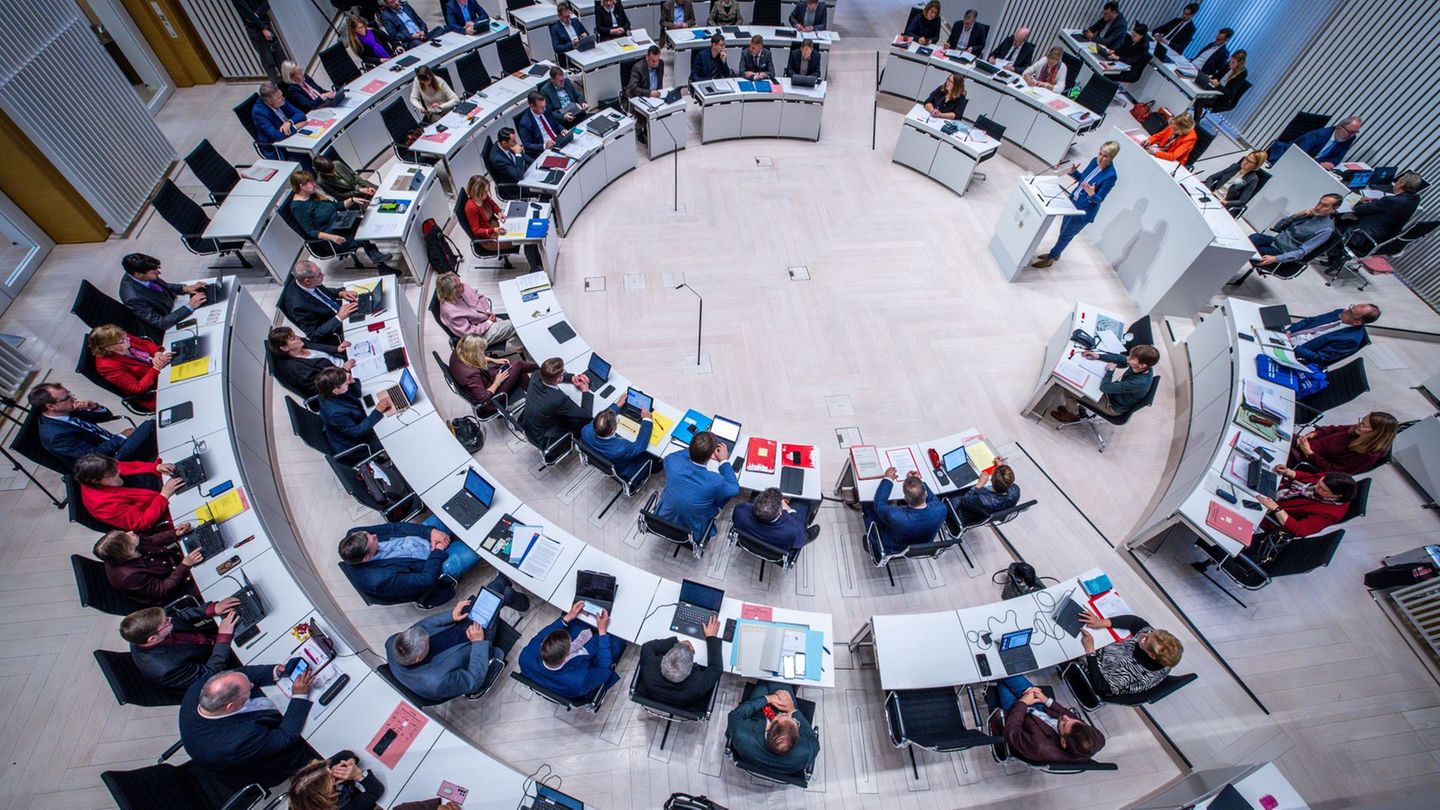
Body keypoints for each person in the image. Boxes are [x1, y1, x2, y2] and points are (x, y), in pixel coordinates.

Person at [179, 667, 320, 794]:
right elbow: (286, 737)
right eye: (248, 690)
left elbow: (240, 675)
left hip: (257, 730)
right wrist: (299, 696)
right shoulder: (235, 742)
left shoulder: (200, 688)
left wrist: (275, 671)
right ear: (230, 706)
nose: (252, 685)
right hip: (265, 761)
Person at [386, 581, 530, 702]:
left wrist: (451, 616)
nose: (428, 635)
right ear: (418, 658)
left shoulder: (393, 642)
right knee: (497, 592)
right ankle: (517, 598)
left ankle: (511, 594)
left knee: (495, 592)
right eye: (427, 641)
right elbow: (474, 680)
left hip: (457, 626)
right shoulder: (437, 683)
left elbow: (422, 627)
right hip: (474, 646)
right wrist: (478, 643)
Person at [338, 520, 482, 603]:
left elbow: (394, 527)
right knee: (478, 546)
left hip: (418, 539)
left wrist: (430, 532)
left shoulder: (356, 534)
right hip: (432, 565)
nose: (375, 536)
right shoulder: (379, 580)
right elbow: (426, 580)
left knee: (457, 510)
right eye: (373, 540)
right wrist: (438, 550)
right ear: (366, 558)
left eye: (370, 535)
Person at [1031, 140, 1120, 268]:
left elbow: (1099, 199)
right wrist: (1074, 172)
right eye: (1100, 153)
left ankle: (1050, 258)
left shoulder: (1111, 176)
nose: (1100, 158)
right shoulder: (1094, 161)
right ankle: (1056, 253)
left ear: (1112, 158)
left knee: (1066, 235)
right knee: (1062, 231)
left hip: (1083, 211)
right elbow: (1082, 180)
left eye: (1105, 156)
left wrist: (1091, 194)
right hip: (1073, 202)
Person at [121, 597, 239, 692]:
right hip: (219, 663)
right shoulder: (167, 669)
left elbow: (179, 616)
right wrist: (224, 637)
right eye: (166, 622)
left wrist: (212, 609)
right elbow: (210, 674)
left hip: (211, 640)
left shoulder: (149, 629)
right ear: (153, 638)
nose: (170, 619)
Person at [28, 383, 157, 467]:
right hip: (109, 462)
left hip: (113, 446)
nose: (73, 399)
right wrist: (121, 437)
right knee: (151, 426)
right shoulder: (56, 436)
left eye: (70, 394)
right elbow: (93, 456)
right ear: (50, 406)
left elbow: (106, 416)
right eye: (67, 398)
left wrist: (94, 407)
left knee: (154, 428)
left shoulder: (67, 411)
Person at [518, 600, 625, 699]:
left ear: (542, 645)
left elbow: (542, 635)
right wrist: (602, 631)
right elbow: (604, 669)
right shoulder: (580, 680)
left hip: (555, 673)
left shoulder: (525, 657)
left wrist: (568, 617)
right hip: (588, 664)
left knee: (576, 611)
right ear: (566, 658)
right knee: (619, 629)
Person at [287, 170, 393, 267]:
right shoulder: (298, 207)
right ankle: (380, 263)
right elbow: (310, 231)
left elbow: (336, 206)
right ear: (301, 186)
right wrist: (332, 237)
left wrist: (352, 199)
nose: (314, 185)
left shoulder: (313, 195)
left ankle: (379, 261)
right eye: (311, 183)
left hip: (339, 223)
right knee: (360, 235)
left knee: (362, 222)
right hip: (331, 237)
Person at [995, 675, 1106, 763]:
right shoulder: (1097, 739)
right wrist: (1046, 700)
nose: (1065, 717)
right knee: (1009, 674)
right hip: (1041, 709)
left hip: (1018, 717)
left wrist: (1023, 702)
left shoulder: (1039, 748)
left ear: (1063, 742)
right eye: (1073, 720)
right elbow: (1070, 719)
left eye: (1064, 724)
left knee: (1000, 678)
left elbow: (1011, 732)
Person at [1078, 609, 1184, 697]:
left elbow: (1100, 687)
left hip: (1092, 672)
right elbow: (1136, 622)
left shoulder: (1133, 674)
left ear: (1152, 655)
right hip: (1106, 652)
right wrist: (1101, 622)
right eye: (1150, 632)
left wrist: (1090, 651)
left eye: (1145, 640)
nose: (1143, 635)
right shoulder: (1159, 649)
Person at [659, 431, 739, 542]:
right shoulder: (716, 481)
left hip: (662, 520)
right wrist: (724, 461)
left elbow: (673, 456)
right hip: (693, 531)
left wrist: (697, 448)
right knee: (724, 493)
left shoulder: (672, 462)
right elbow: (734, 489)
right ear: (712, 455)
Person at [94, 524, 202, 605]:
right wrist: (185, 565)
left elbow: (150, 540)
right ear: (128, 551)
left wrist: (175, 533)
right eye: (127, 537)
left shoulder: (124, 551)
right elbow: (163, 589)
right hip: (179, 588)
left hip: (177, 565)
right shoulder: (130, 577)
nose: (131, 532)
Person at [726, 681, 818, 775]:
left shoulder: (742, 735)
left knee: (766, 683)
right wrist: (792, 709)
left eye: (786, 716)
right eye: (795, 721)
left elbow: (735, 715)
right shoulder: (806, 753)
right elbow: (812, 739)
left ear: (768, 726)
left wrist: (768, 699)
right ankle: (789, 685)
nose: (791, 716)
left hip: (755, 724)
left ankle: (778, 681)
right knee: (781, 689)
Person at [1052, 344, 1160, 422]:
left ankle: (1072, 415)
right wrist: (1098, 356)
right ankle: (1075, 408)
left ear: (1142, 365)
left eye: (1131, 358)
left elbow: (1105, 387)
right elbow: (1121, 359)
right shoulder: (1143, 367)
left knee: (1070, 390)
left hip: (1112, 405)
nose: (1128, 359)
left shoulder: (1140, 382)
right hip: (1114, 394)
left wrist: (1110, 370)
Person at [76, 454, 181, 532]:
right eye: (113, 473)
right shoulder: (103, 505)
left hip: (163, 484)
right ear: (96, 481)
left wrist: (156, 467)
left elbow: (133, 466)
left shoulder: (106, 468)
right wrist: (164, 496)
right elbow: (142, 523)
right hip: (163, 506)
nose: (118, 471)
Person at [636, 616, 722, 711]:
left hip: (655, 696)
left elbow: (647, 646)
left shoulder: (650, 667)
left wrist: (676, 643)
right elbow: (716, 668)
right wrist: (711, 637)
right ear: (690, 668)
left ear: (664, 658)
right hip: (684, 704)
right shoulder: (697, 685)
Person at [1334, 173, 1423, 254]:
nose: (1395, 183)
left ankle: (1332, 252)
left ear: (1401, 184)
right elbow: (1389, 209)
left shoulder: (1390, 200)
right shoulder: (1414, 200)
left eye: (1398, 181)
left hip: (1360, 236)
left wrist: (1360, 201)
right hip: (1379, 238)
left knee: (1337, 222)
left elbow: (1358, 209)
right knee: (1348, 220)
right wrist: (1377, 202)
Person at [88, 324, 171, 412]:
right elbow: (137, 388)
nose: (128, 339)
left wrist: (157, 353)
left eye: (125, 335)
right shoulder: (107, 366)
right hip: (154, 390)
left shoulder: (120, 337)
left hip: (163, 370)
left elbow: (145, 343)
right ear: (109, 347)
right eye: (122, 340)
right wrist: (156, 367)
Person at [119, 252, 206, 334]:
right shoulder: (133, 298)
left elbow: (164, 285)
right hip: (169, 321)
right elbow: (160, 323)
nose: (159, 272)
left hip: (174, 304)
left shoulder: (141, 273)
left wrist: (184, 288)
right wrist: (190, 306)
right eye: (154, 272)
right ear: (138, 274)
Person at [1248, 194, 1341, 270]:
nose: (1318, 207)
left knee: (1253, 252)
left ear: (1334, 209)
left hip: (1282, 252)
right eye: (1319, 203)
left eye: (1325, 206)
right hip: (1275, 241)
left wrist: (1276, 258)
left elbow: (1301, 253)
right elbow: (1278, 227)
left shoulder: (1325, 230)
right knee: (1252, 238)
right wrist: (1297, 215)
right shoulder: (1309, 215)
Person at [864, 468, 946, 554]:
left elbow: (879, 504)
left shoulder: (896, 515)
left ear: (906, 499)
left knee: (868, 506)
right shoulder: (941, 508)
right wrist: (918, 482)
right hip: (923, 544)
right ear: (925, 494)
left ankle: (872, 541)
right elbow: (934, 499)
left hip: (894, 546)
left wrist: (888, 479)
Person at [449, 334, 536, 414]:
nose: (483, 353)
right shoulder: (471, 374)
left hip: (484, 380)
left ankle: (534, 396)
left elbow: (473, 356)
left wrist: (493, 360)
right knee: (518, 365)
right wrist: (497, 382)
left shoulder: (458, 351)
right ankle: (540, 368)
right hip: (490, 400)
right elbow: (484, 399)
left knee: (519, 372)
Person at [1254, 471, 1357, 538]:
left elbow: (1301, 530)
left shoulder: (1331, 513)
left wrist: (1277, 509)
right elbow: (1310, 477)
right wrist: (1288, 472)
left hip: (1269, 517)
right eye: (1319, 483)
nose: (1316, 487)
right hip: (1276, 493)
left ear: (1337, 496)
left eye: (1323, 489)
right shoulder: (1327, 480)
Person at [1287, 412, 1397, 475]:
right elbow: (1334, 429)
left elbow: (1333, 471)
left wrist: (1309, 453)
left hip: (1303, 460)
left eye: (1364, 425)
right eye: (1361, 421)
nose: (1359, 425)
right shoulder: (1357, 429)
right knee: (1274, 428)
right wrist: (1315, 433)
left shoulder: (1366, 455)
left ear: (1376, 433)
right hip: (1302, 445)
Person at [279, 261, 360, 346]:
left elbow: (320, 291)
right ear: (307, 281)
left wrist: (340, 293)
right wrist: (339, 317)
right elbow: (314, 335)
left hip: (341, 309)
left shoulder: (306, 282)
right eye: (319, 275)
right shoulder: (298, 306)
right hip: (336, 326)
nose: (323, 275)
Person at [314, 366, 390, 455]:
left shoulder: (328, 391)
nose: (347, 384)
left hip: (358, 419)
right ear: (335, 390)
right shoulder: (335, 414)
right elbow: (357, 432)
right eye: (346, 384)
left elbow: (358, 393)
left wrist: (351, 380)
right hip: (356, 443)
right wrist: (378, 411)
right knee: (391, 436)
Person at [580, 392, 654, 482]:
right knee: (654, 458)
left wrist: (618, 404)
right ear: (612, 430)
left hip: (603, 460)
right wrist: (647, 419)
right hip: (624, 469)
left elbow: (602, 418)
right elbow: (640, 446)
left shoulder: (586, 430)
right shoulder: (622, 447)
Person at [521, 357, 594, 449]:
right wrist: (585, 391)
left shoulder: (536, 375)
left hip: (530, 427)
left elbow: (549, 377)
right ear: (557, 380)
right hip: (546, 438)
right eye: (564, 373)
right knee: (583, 422)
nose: (565, 374)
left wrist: (572, 378)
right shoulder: (558, 399)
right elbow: (586, 415)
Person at [1284, 303, 1380, 366]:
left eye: (1350, 312)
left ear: (1357, 323)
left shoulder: (1350, 340)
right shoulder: (1339, 313)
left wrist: (1292, 346)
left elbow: (1318, 358)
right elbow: (1310, 320)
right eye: (1351, 307)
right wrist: (1289, 331)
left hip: (1295, 352)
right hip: (1287, 336)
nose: (1345, 310)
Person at [436, 270, 514, 344]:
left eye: (460, 282)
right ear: (452, 292)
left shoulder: (463, 288)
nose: (463, 285)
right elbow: (469, 333)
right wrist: (488, 322)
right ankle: (522, 352)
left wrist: (487, 311)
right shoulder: (451, 312)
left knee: (514, 328)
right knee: (514, 326)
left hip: (484, 320)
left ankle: (521, 352)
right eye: (459, 286)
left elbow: (480, 297)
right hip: (477, 337)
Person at [286, 753, 385, 810]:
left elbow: (345, 753)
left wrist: (350, 761)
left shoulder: (319, 774)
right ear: (326, 795)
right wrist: (357, 775)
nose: (333, 771)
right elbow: (376, 791)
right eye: (331, 778)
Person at [731, 487, 819, 550]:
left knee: (757, 487)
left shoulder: (740, 510)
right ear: (781, 512)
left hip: (749, 538)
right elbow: (800, 542)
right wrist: (789, 509)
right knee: (804, 499)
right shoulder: (792, 531)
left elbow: (749, 504)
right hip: (779, 540)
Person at [1268, 117, 1363, 169]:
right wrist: (1319, 164)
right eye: (1349, 131)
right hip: (1286, 160)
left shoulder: (1350, 138)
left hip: (1310, 167)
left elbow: (1337, 159)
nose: (1350, 135)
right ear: (1340, 127)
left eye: (1354, 132)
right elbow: (1299, 156)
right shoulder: (1319, 134)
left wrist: (1318, 163)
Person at [232, 0, 287, 81]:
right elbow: (247, 14)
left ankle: (290, 83)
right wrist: (263, 28)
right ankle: (278, 87)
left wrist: (256, 15)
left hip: (265, 24)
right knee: (268, 61)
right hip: (254, 29)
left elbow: (267, 3)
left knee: (280, 57)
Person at [252, 81, 306, 159]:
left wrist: (289, 122)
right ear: (270, 101)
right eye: (279, 98)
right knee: (304, 156)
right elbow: (276, 136)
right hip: (277, 147)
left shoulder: (279, 99)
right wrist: (296, 126)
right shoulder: (259, 113)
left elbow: (301, 114)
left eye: (281, 95)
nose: (283, 98)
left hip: (290, 136)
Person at [1203, 150, 1267, 215]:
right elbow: (1212, 177)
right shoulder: (1235, 167)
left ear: (1256, 166)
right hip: (1211, 194)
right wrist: (1207, 189)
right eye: (1246, 158)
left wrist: (1227, 203)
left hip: (1222, 203)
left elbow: (1242, 201)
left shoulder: (1252, 179)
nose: (1245, 162)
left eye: (1249, 162)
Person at [953, 462, 1020, 524]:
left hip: (962, 515)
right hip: (983, 515)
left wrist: (979, 484)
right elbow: (1007, 482)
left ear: (992, 480)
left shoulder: (983, 500)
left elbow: (965, 499)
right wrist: (1001, 470)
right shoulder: (1016, 492)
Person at [1192, 51, 1248, 117]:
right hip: (1214, 89)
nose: (1230, 64)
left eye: (1233, 62)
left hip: (1221, 97)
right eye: (1230, 61)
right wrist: (1211, 77)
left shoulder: (1242, 74)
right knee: (1195, 85)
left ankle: (1196, 123)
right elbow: (1217, 76)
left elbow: (1230, 94)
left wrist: (1218, 85)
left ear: (1240, 63)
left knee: (1200, 98)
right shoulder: (1228, 65)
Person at [516, 92, 568, 157]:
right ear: (532, 106)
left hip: (558, 140)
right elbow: (527, 145)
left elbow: (556, 123)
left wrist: (562, 130)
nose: (544, 109)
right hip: (545, 150)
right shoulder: (525, 123)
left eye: (544, 106)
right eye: (541, 107)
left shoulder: (545, 108)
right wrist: (544, 145)